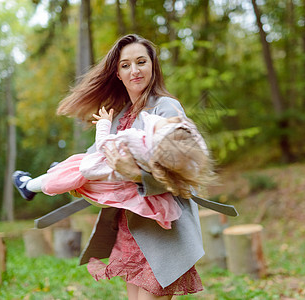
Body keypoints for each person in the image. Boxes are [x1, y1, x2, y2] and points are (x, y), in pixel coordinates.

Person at [22, 34, 227, 299]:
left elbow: (185, 170)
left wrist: (138, 176)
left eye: (141, 62)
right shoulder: (119, 116)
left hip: (163, 229)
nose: (135, 70)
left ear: (152, 65)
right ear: (117, 73)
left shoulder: (166, 107)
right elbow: (93, 161)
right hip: (131, 229)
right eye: (126, 65)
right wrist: (79, 184)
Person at [12, 105, 212, 230]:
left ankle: (28, 186)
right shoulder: (160, 156)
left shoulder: (135, 140)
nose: (170, 119)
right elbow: (188, 144)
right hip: (118, 195)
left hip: (98, 180)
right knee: (69, 168)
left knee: (68, 172)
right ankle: (58, 170)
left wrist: (104, 124)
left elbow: (103, 146)